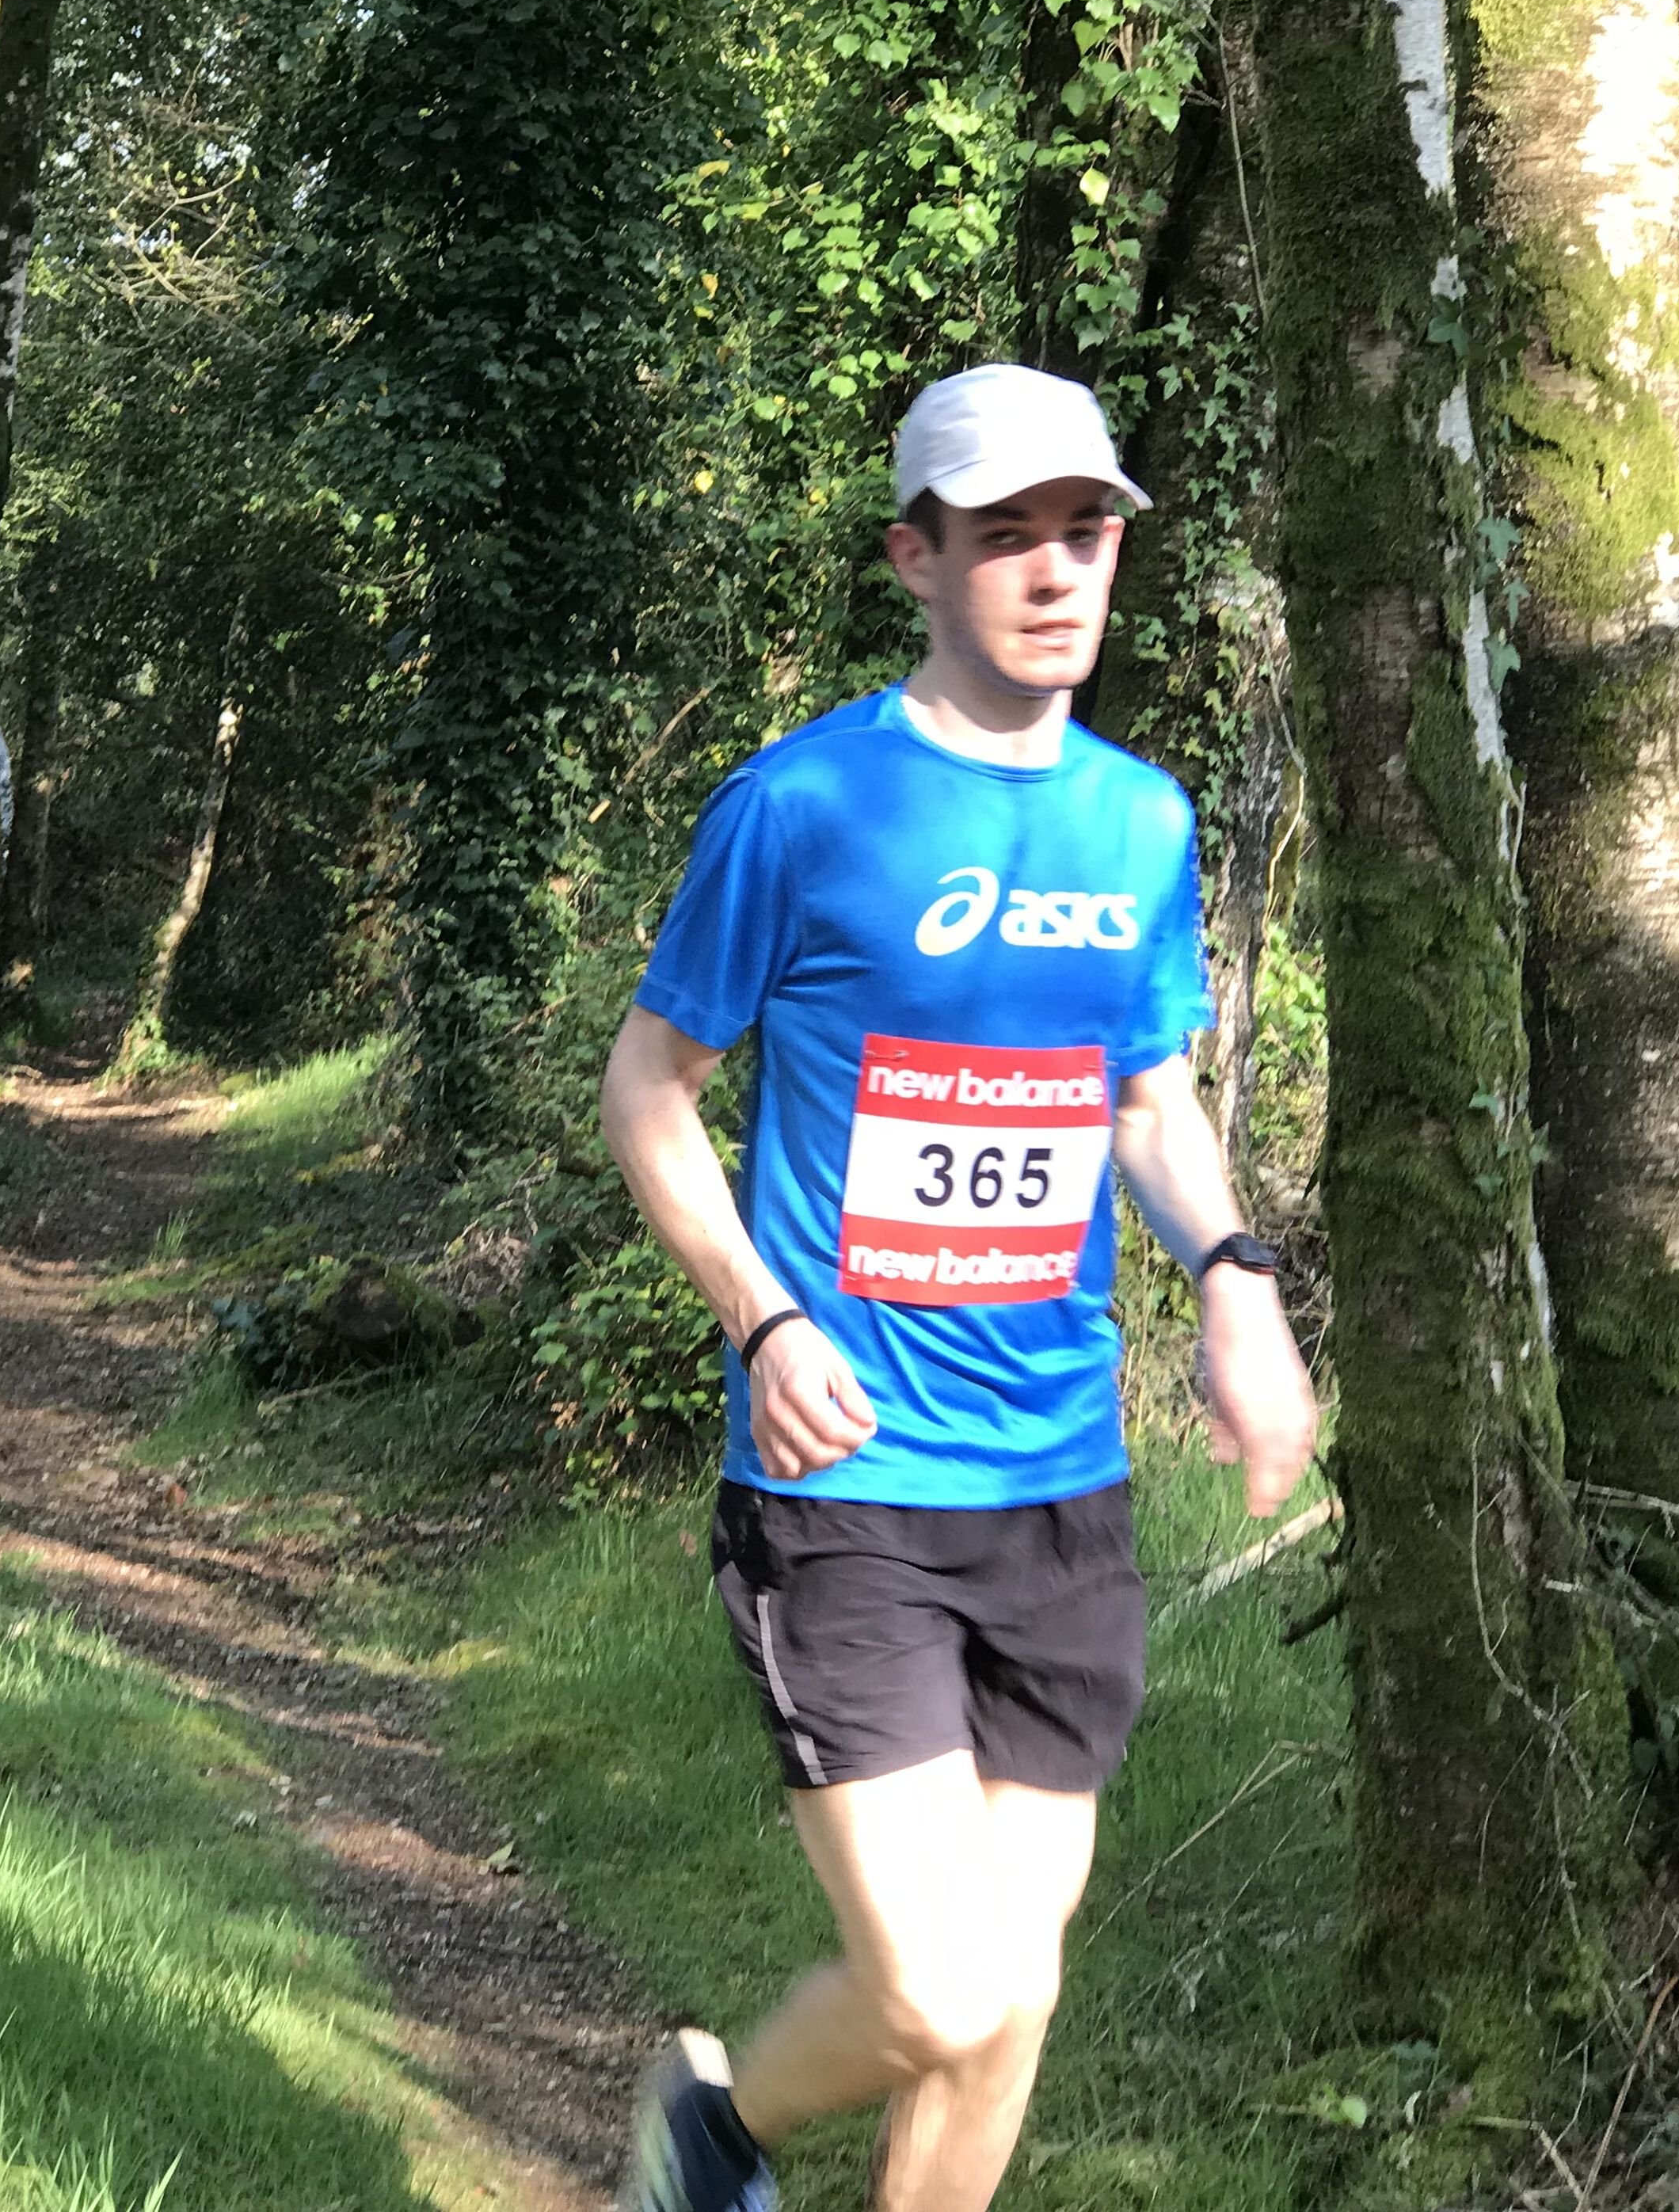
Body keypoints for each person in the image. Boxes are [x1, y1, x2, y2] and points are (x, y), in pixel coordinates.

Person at [595, 362, 1324, 2212]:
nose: (1057, 569)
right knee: (936, 1987)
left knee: (1009, 2008)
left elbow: (1144, 1099)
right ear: (914, 558)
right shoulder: (803, 807)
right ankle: (711, 2130)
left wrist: (1233, 1281)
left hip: (1059, 1490)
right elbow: (649, 1087)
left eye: (1085, 530)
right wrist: (760, 1316)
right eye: (1005, 535)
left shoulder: (1139, 823)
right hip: (847, 1486)